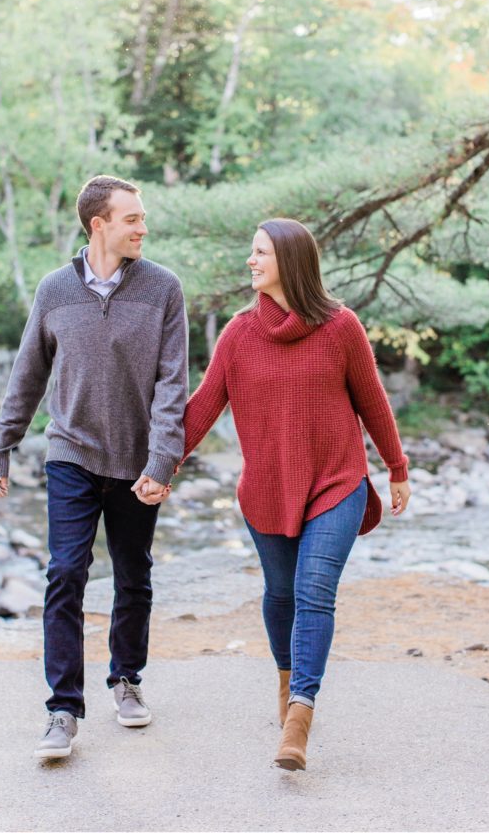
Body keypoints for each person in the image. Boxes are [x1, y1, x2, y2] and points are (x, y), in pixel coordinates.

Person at [180, 218, 411, 771]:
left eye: (259, 252)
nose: (250, 262)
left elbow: (372, 402)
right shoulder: (237, 333)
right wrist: (161, 466)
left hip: (337, 483)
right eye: (251, 252)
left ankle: (300, 716)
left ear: (289, 260)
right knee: (280, 595)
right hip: (267, 489)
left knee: (313, 592)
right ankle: (287, 689)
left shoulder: (341, 327)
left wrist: (396, 467)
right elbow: (203, 407)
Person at [0, 175, 188, 760]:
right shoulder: (54, 291)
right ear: (99, 224)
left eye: (143, 218)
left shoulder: (163, 290)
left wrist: (162, 459)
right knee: (65, 573)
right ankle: (62, 709)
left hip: (136, 460)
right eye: (133, 219)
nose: (143, 227)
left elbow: (172, 384)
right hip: (70, 452)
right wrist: (4, 443)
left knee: (133, 574)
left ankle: (126, 679)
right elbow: (29, 371)